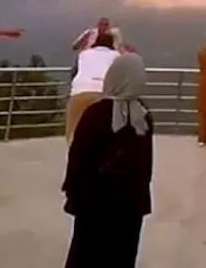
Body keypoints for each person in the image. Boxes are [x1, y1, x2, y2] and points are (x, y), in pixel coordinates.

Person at [63, 52, 155, 268]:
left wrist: (72, 192)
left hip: (94, 202)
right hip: (130, 205)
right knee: (122, 256)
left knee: (85, 254)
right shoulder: (143, 115)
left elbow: (78, 158)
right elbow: (145, 165)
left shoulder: (95, 113)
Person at [65, 32, 119, 141]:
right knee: (104, 132)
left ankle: (74, 154)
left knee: (73, 132)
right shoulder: (116, 55)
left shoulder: (84, 54)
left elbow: (75, 72)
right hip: (103, 94)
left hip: (79, 92)